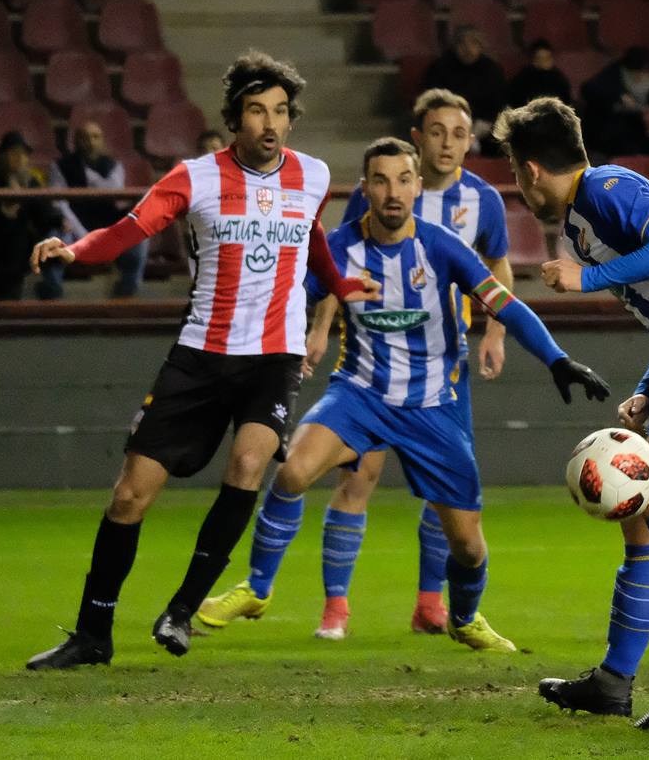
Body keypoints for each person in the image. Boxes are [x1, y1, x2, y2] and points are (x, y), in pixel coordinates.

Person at [23, 51, 382, 670]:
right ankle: (92, 633)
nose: (270, 123)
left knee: (248, 462)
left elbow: (313, 239)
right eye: (256, 110)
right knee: (130, 497)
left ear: (290, 120)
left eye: (280, 112)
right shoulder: (194, 178)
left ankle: (182, 611)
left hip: (274, 356)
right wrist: (75, 252)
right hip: (199, 357)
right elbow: (129, 229)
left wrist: (339, 287)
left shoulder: (314, 176)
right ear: (235, 118)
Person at [199, 138, 609, 653]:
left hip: (433, 407)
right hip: (359, 394)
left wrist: (556, 358)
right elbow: (282, 298)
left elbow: (505, 304)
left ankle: (463, 617)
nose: (393, 192)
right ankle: (257, 589)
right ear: (365, 187)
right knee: (293, 471)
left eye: (402, 180)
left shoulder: (442, 248)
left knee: (466, 544)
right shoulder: (335, 247)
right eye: (381, 180)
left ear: (416, 185)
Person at [200, 89, 511, 641]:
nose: (449, 143)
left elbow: (498, 270)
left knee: (450, 504)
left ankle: (432, 605)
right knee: (349, 479)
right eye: (437, 132)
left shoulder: (483, 201)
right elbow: (335, 264)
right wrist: (320, 330)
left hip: (443, 373)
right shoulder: (372, 201)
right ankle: (333, 606)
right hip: (369, 371)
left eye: (459, 134)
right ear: (418, 140)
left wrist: (495, 331)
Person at [494, 97, 649, 728]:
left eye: (517, 173)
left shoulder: (606, 186)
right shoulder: (581, 216)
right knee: (640, 519)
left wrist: (586, 279)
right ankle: (614, 681)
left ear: (530, 169)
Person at [41, 122, 147, 299]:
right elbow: (59, 204)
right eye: (85, 137)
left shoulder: (114, 166)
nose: (90, 142)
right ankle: (52, 294)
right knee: (53, 239)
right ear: (76, 142)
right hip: (73, 228)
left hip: (106, 228)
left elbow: (114, 194)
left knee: (139, 237)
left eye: (95, 137)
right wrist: (81, 233)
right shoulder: (60, 166)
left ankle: (127, 292)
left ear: (102, 141)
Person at [0, 130, 60, 299]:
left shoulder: (29, 180)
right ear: (2, 156)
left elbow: (44, 212)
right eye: (13, 153)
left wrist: (58, 221)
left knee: (50, 241)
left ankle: (50, 294)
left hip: (21, 243)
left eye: (23, 154)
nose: (19, 158)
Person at [580, 47, 649, 164]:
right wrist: (619, 97)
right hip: (608, 136)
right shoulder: (611, 76)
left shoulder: (647, 84)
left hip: (635, 135)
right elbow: (587, 89)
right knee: (628, 150)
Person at [420, 26, 507, 147]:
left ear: (481, 46)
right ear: (455, 46)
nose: (468, 49)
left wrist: (482, 125)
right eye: (462, 44)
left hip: (484, 125)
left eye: (473, 43)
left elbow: (498, 103)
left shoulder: (492, 70)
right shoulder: (440, 67)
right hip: (447, 122)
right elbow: (432, 100)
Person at [506, 40, 571, 109]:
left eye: (547, 58)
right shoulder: (522, 80)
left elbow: (566, 104)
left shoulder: (559, 80)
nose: (543, 62)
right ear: (533, 60)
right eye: (540, 58)